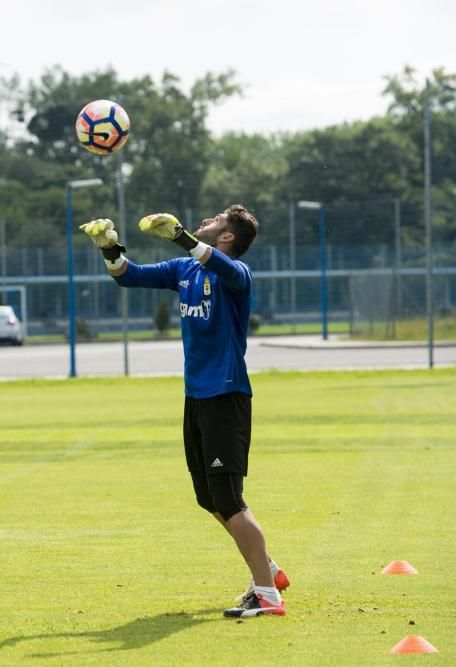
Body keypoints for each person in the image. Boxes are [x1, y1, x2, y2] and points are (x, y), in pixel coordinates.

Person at [80, 206, 290, 618]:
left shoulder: (236, 275)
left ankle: (267, 595)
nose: (204, 222)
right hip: (196, 397)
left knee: (229, 499)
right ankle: (267, 568)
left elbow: (227, 270)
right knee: (206, 497)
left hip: (226, 395)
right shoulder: (184, 269)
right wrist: (109, 249)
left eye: (213, 221)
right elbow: (130, 276)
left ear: (227, 238)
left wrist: (182, 237)